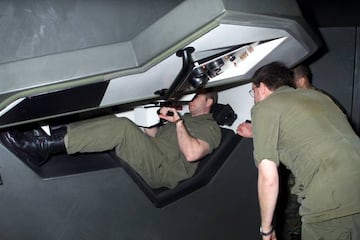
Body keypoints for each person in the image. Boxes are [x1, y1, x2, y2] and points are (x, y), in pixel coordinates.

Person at [1, 90, 221, 189]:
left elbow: (192, 154)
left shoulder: (211, 127)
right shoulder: (184, 119)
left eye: (197, 96)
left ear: (209, 102)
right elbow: (154, 137)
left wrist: (179, 124)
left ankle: (40, 147)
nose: (191, 99)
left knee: (122, 127)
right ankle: (47, 138)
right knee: (111, 118)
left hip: (163, 170)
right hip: (155, 154)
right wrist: (150, 118)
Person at [248, 62, 360, 239]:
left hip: (330, 201)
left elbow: (268, 178)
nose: (253, 97)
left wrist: (266, 229)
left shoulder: (264, 107)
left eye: (252, 91)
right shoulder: (319, 97)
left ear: (261, 87)